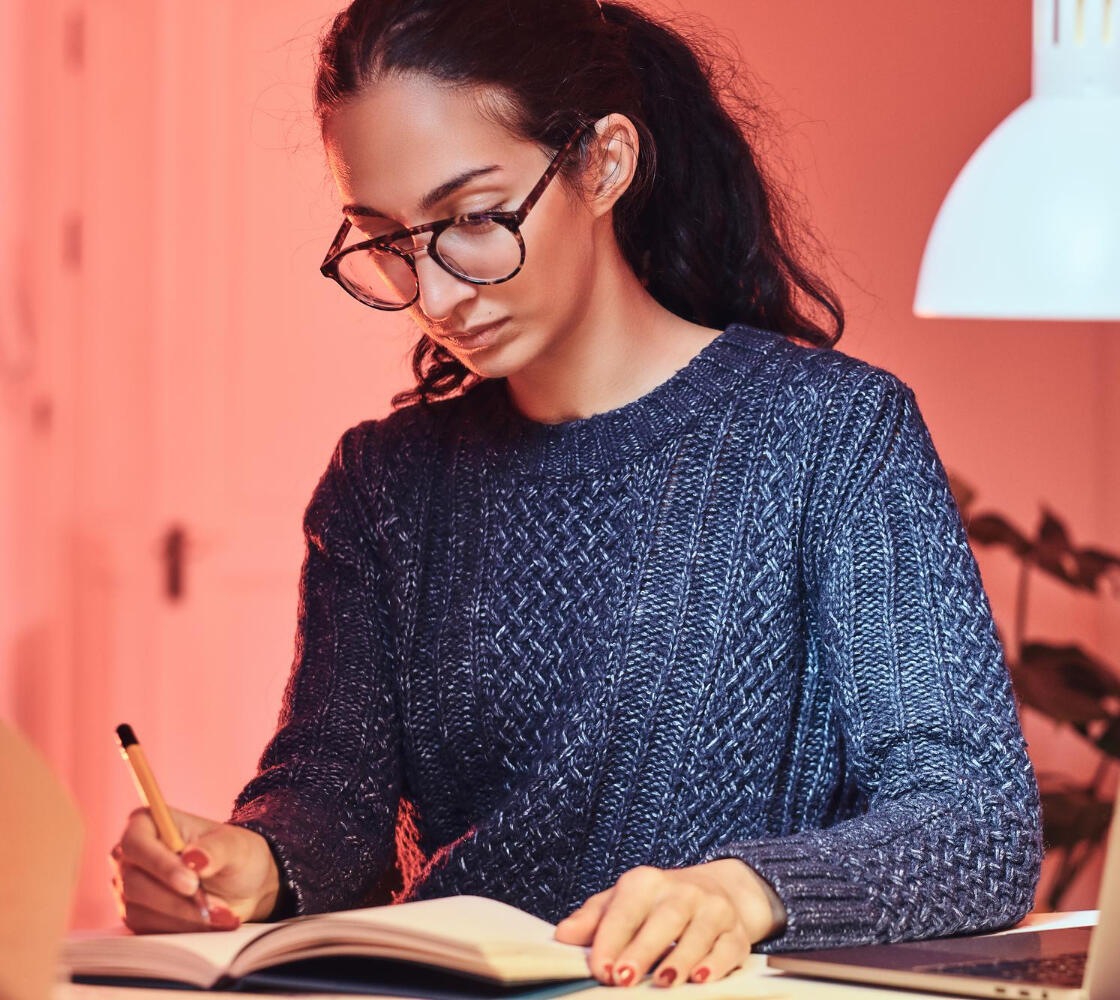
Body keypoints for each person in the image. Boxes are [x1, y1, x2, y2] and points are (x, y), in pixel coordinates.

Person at [108, 0, 1043, 988]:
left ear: (603, 163)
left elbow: (974, 823)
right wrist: (253, 862)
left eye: (472, 218)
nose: (435, 294)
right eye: (383, 238)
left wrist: (743, 890)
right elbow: (329, 806)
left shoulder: (829, 435)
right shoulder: (381, 485)